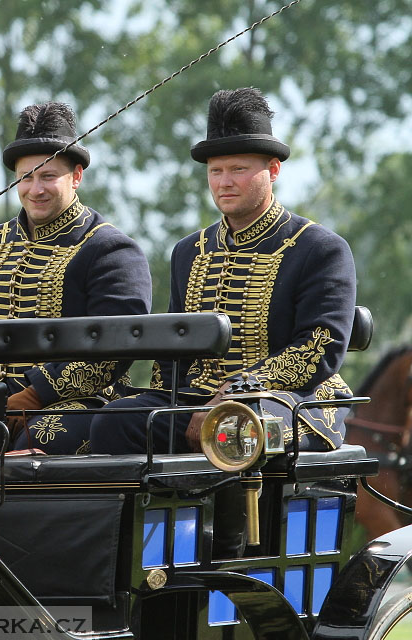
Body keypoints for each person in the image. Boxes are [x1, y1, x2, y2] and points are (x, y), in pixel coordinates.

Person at [87, 87, 357, 454]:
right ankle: (160, 510)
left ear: (273, 170)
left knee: (239, 427)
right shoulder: (188, 251)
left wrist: (233, 393)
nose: (224, 182)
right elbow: (173, 341)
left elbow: (318, 347)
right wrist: (174, 399)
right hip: (197, 400)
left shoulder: (319, 248)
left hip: (289, 399)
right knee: (113, 420)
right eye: (216, 171)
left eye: (238, 170)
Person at [0, 102, 152, 454]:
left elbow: (114, 348)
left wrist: (35, 393)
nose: (36, 189)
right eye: (26, 177)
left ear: (76, 176)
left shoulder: (111, 249)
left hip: (76, 401)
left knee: (46, 436)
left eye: (48, 176)